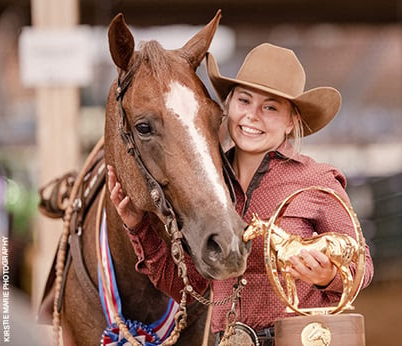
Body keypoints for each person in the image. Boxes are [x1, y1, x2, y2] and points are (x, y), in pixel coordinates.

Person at [108, 43, 374, 345]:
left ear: (291, 121)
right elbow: (188, 287)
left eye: (270, 107)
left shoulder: (317, 180)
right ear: (229, 105)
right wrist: (138, 227)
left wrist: (328, 277)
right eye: (244, 101)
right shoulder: (207, 188)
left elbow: (362, 265)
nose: (252, 116)